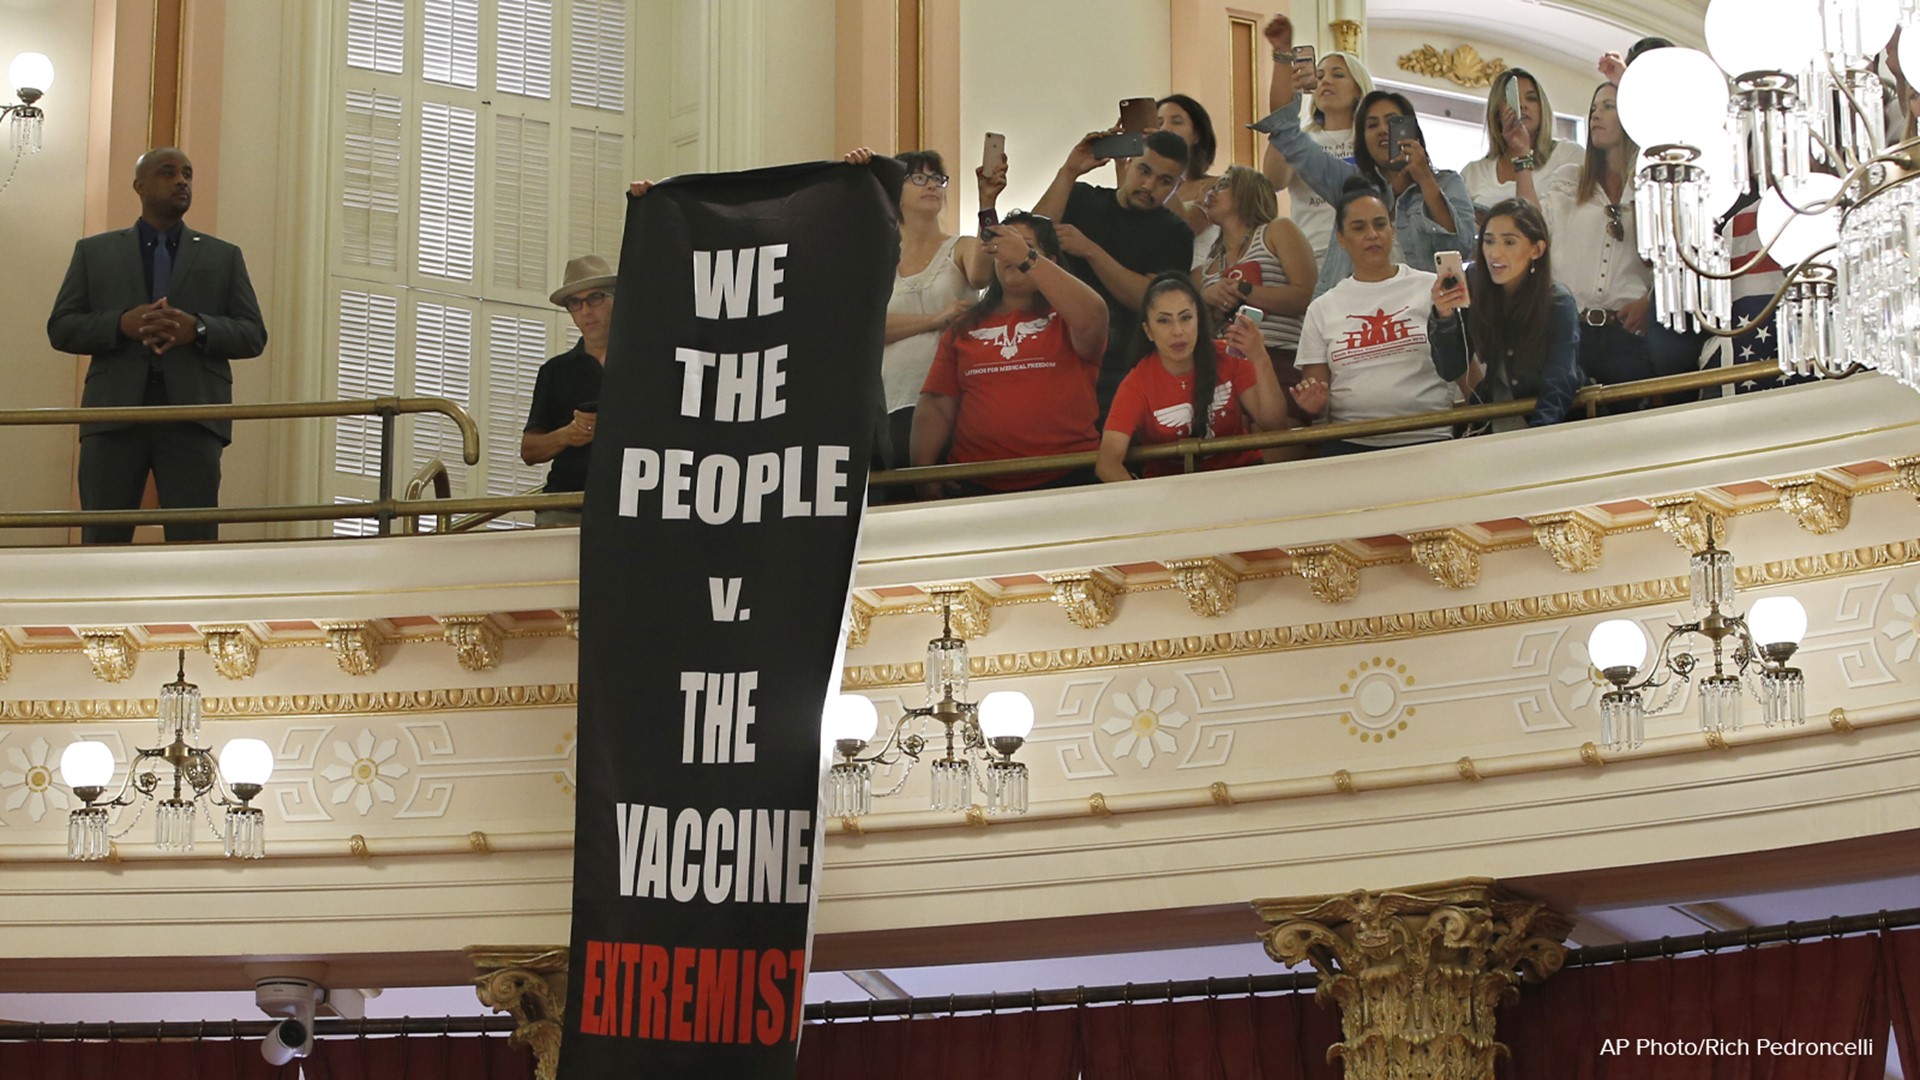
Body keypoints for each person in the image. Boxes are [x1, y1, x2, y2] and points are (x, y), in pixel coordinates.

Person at [47, 146, 268, 545]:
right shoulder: (94, 252)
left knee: (193, 542)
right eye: (168, 173)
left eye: (187, 173)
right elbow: (62, 327)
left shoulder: (223, 257)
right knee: (102, 540)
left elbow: (253, 334)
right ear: (140, 185)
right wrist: (120, 324)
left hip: (193, 416)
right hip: (113, 416)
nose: (181, 181)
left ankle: (192, 610)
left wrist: (197, 329)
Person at [1253, 18, 1474, 302]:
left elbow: (1462, 247)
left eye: (1392, 122)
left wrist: (1426, 181)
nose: (1383, 130)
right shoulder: (1352, 183)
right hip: (1349, 307)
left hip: (1420, 312)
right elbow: (1286, 136)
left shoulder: (1448, 182)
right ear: (1364, 140)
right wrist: (1283, 59)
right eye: (1372, 125)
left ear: (1411, 129)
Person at [913, 212, 1109, 496]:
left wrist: (1026, 258)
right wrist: (924, 475)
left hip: (1069, 477)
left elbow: (1094, 316)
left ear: (1050, 262)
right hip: (977, 482)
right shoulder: (964, 327)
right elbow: (937, 403)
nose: (1010, 254)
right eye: (1003, 248)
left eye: (1024, 245)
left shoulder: (1067, 317)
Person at [1539, 82, 1696, 399]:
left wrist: (1651, 301)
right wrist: (1521, 163)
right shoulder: (1569, 181)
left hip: (1629, 337)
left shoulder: (1652, 188)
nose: (1596, 115)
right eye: (1594, 109)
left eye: (1608, 107)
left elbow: (1680, 254)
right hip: (1569, 334)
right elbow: (1532, 234)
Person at [1097, 273, 1324, 481]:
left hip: (1241, 478)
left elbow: (1274, 424)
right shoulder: (1137, 382)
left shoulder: (1227, 355)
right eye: (1164, 320)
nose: (1177, 331)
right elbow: (1107, 463)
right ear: (1148, 331)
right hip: (1171, 492)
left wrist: (1259, 356)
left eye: (1186, 318)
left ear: (1199, 321)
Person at [1033, 127, 1196, 410]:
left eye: (1164, 181)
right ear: (1128, 162)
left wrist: (1090, 250)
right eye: (1144, 170)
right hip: (1055, 350)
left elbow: (1149, 298)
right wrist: (1069, 171)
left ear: (1176, 187)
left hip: (1124, 365)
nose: (1148, 185)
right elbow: (1031, 243)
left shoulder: (1174, 232)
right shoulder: (1082, 197)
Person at [848, 148, 988, 472]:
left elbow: (982, 273)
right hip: (895, 397)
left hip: (954, 400)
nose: (932, 186)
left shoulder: (961, 246)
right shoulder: (876, 261)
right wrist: (935, 320)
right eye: (919, 178)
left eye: (938, 179)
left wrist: (986, 202)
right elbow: (867, 327)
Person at [1294, 178, 1457, 454]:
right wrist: (1313, 404)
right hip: (1351, 443)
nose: (1372, 234)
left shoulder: (1432, 287)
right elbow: (1317, 401)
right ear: (1341, 239)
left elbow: (1463, 366)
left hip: (1430, 435)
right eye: (1359, 227)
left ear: (1392, 231)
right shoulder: (1322, 308)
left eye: (1380, 224)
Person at [1428, 198, 1582, 431]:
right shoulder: (1477, 289)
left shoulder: (1557, 302)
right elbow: (1450, 369)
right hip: (1496, 420)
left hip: (1551, 425)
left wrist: (1538, 435)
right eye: (1488, 241)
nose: (1495, 253)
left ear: (1536, 250)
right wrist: (1444, 317)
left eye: (1509, 242)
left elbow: (1560, 379)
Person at [1259, 18, 1375, 266]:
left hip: (1367, 251)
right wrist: (1291, 101)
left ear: (1358, 89)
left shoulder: (1373, 138)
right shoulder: (1303, 140)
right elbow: (1273, 180)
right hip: (1313, 255)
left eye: (1338, 74)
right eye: (1319, 76)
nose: (1326, 81)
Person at [1195, 165, 1317, 395]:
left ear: (1247, 191)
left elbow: (1305, 295)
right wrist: (1206, 298)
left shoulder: (1276, 230)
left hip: (1276, 355)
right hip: (1222, 365)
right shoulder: (1208, 265)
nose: (1210, 193)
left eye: (1222, 185)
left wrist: (1242, 290)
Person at [521, 255, 617, 527]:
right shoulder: (555, 372)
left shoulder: (644, 364)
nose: (586, 311)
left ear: (615, 299)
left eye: (595, 298)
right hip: (565, 507)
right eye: (575, 303)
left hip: (633, 503)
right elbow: (529, 450)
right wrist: (568, 435)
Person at [1460, 68, 1582, 213]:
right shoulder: (1473, 173)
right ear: (1497, 113)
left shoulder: (1568, 156)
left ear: (1542, 107)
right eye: (1513, 100)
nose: (1523, 105)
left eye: (1531, 98)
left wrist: (1522, 153)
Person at [1154, 94, 1225, 266]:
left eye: (1176, 122)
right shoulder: (1148, 186)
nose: (1165, 129)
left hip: (1199, 281)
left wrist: (1164, 171)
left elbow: (1186, 228)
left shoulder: (1216, 185)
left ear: (1196, 135)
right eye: (1159, 123)